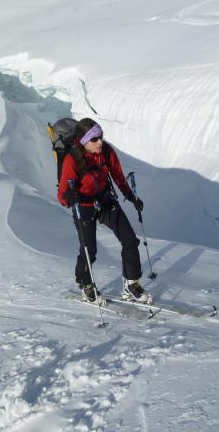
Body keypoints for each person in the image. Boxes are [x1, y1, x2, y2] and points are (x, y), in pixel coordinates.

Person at [57, 118, 150, 304]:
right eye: (94, 139)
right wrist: (70, 197)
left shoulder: (106, 151)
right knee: (89, 250)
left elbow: (117, 175)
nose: (100, 142)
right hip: (83, 206)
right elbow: (62, 195)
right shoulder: (72, 159)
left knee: (130, 240)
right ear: (84, 141)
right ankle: (86, 285)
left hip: (105, 200)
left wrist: (130, 196)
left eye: (101, 137)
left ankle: (131, 284)